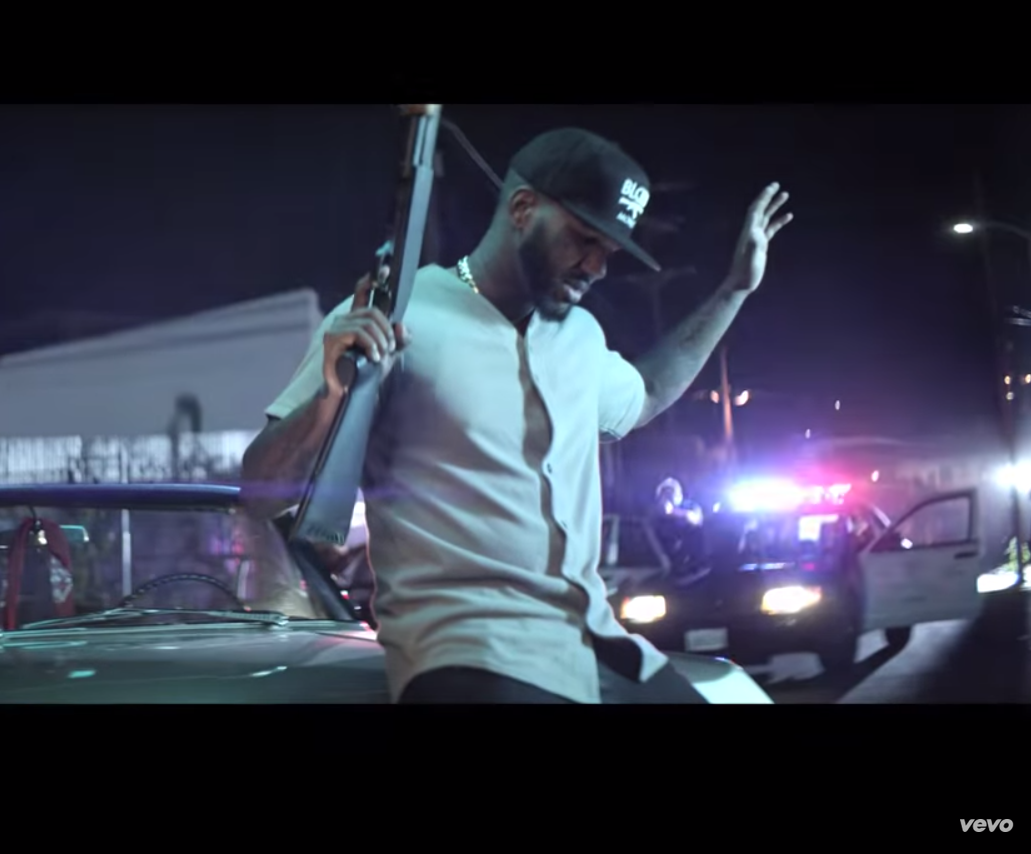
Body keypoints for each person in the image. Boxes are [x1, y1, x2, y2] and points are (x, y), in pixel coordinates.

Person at [241, 128, 792, 703]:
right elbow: (259, 491)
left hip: (596, 647)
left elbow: (648, 392)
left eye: (608, 251)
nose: (597, 266)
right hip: (469, 656)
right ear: (524, 209)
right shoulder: (396, 320)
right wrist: (333, 396)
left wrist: (734, 290)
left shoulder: (581, 338)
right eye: (584, 239)